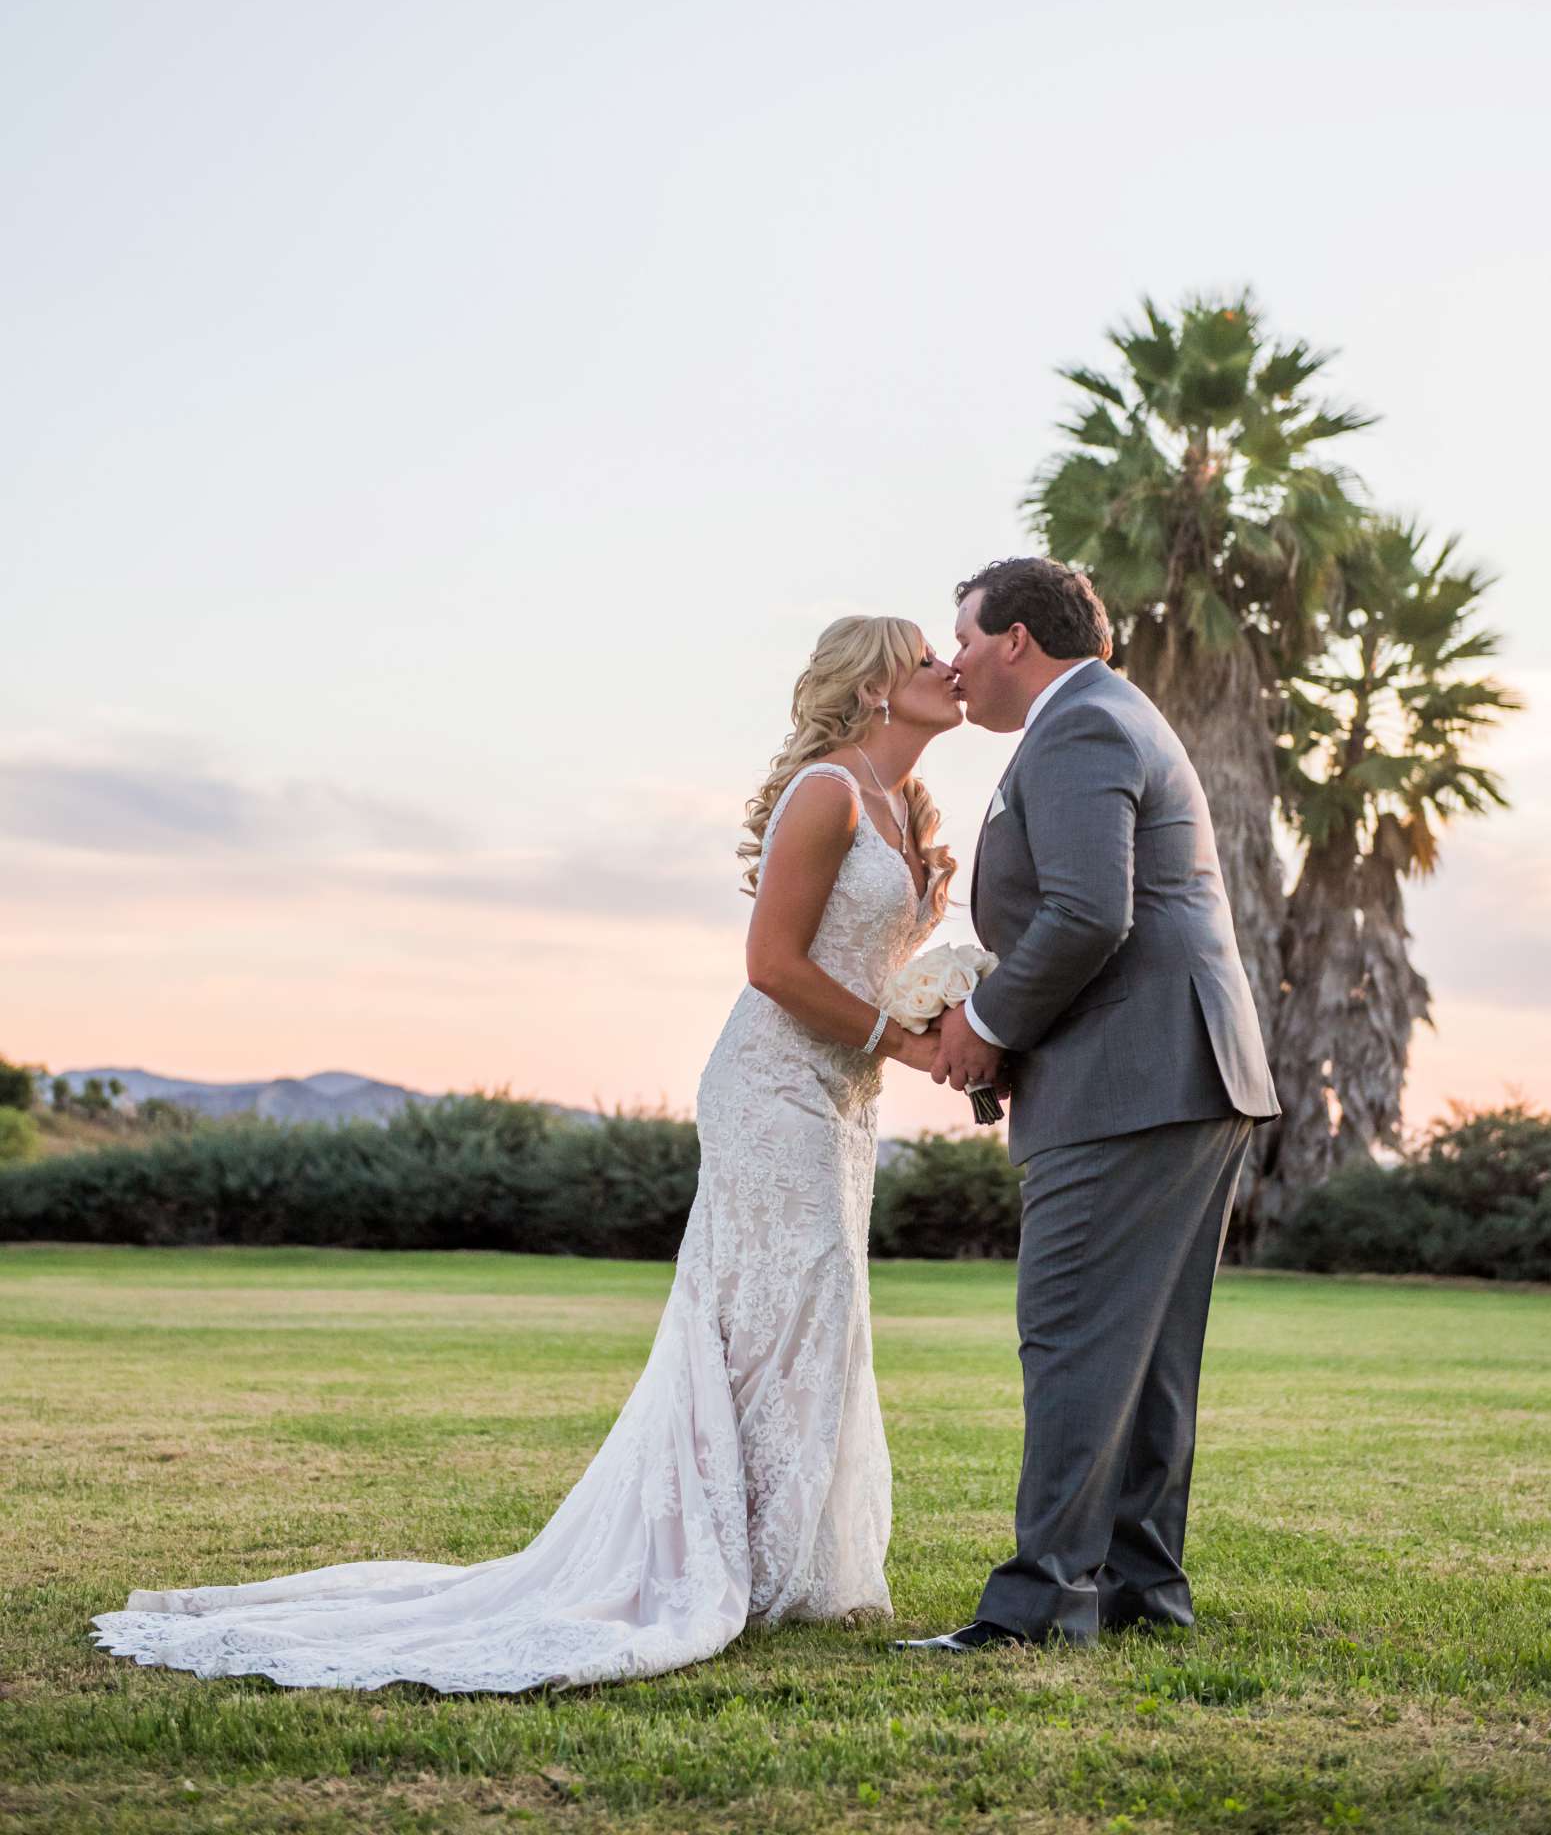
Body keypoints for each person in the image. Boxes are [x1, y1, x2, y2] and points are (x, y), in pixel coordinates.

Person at [92, 616, 963, 1694]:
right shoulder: (827, 791)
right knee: (783, 1301)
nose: (949, 670)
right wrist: (910, 1042)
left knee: (819, 1312)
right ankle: (732, 1563)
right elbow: (774, 965)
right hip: (775, 1082)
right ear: (877, 686)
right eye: (928, 658)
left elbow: (857, 957)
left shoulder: (908, 807)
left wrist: (924, 964)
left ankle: (795, 1567)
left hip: (846, 1092)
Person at [895, 557, 1279, 1655]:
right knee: (1147, 1352)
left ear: (1017, 638)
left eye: (963, 637)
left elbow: (1083, 913)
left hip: (1135, 1076)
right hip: (1177, 1070)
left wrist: (985, 1026)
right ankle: (1139, 1590)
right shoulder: (1103, 718)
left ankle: (1037, 1607)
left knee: (1070, 1335)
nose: (955, 661)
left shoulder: (1081, 727)